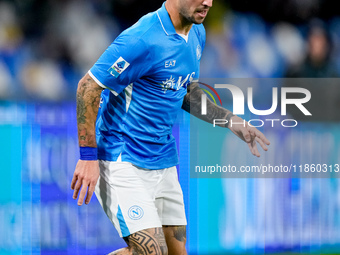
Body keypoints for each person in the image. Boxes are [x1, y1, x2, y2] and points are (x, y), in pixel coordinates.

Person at [71, 0, 270, 254]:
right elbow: (88, 86)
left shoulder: (197, 32)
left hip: (162, 160)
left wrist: (230, 120)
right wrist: (88, 156)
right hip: (122, 157)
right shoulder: (142, 38)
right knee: (150, 251)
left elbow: (186, 92)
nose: (207, 3)